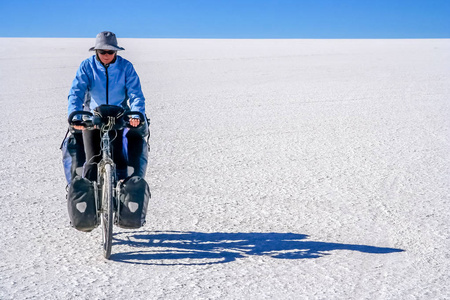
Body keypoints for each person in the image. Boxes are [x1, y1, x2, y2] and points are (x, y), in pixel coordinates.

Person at [68, 31, 148, 181]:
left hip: (118, 117)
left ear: (116, 51)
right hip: (93, 118)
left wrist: (136, 114)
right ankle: (93, 201)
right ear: (96, 51)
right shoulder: (87, 66)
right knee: (92, 162)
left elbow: (135, 93)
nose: (106, 55)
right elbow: (76, 92)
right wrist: (76, 115)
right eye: (102, 51)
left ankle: (119, 200)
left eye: (110, 51)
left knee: (120, 163)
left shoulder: (125, 67)